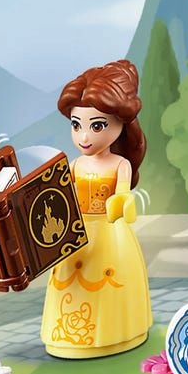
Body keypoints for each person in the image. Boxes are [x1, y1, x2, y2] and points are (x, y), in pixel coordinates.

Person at [41, 59, 152, 358]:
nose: (85, 137)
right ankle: (65, 338)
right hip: (75, 236)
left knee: (109, 283)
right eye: (76, 125)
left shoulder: (120, 164)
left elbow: (123, 195)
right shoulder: (74, 165)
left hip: (109, 234)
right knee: (68, 283)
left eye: (97, 125)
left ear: (121, 123)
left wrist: (121, 204)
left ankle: (117, 335)